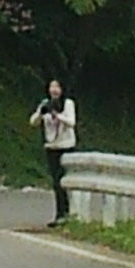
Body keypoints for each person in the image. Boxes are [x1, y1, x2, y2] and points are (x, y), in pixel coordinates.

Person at [31, 79, 79, 220]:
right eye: (51, 86)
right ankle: (60, 214)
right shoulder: (45, 102)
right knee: (56, 182)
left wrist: (57, 115)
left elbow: (72, 122)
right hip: (52, 147)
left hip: (67, 146)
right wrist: (42, 112)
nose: (54, 90)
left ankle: (69, 212)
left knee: (66, 182)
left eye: (57, 86)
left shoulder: (68, 103)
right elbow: (32, 122)